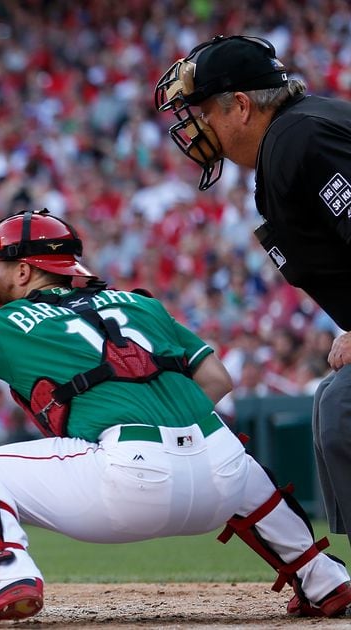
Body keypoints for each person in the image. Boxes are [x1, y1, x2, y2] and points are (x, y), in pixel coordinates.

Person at [0, 209, 351, 628]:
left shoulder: (7, 322)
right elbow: (217, 382)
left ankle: (6, 575)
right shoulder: (140, 302)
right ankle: (322, 576)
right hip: (223, 477)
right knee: (228, 446)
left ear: (25, 272)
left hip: (130, 476)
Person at [155, 36, 351, 548]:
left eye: (200, 111)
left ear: (240, 105)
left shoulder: (299, 139)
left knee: (344, 411)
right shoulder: (296, 134)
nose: (194, 126)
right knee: (333, 399)